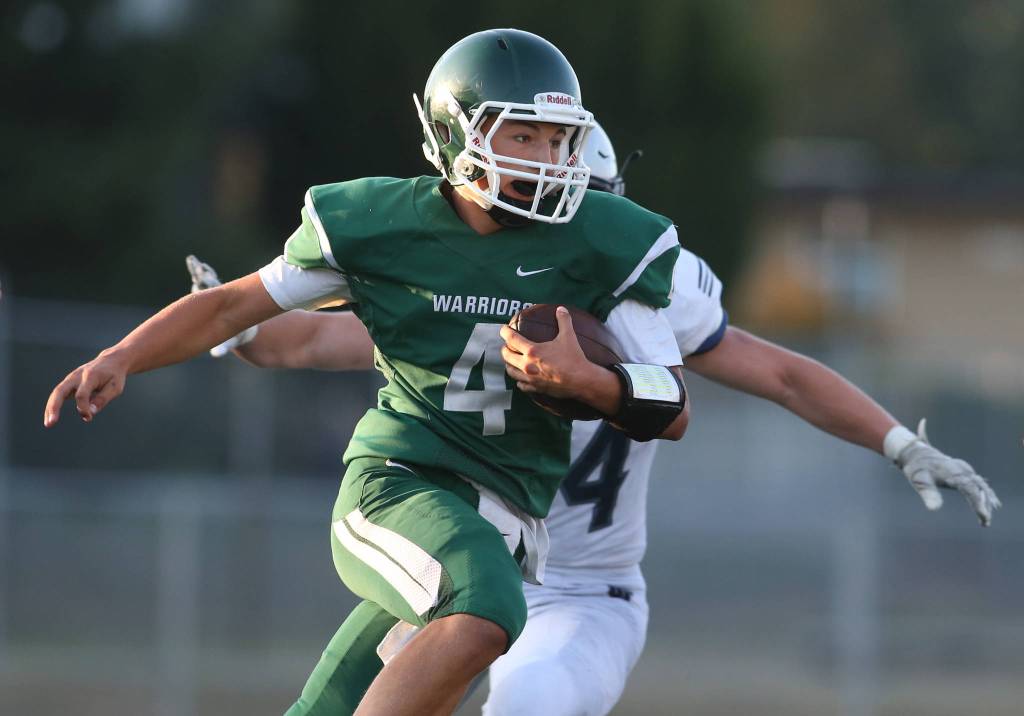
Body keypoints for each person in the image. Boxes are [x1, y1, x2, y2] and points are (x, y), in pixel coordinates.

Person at [185, 123, 1001, 716]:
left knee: (529, 699)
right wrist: (237, 324)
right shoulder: (479, 285)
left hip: (580, 595)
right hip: (473, 555)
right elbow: (328, 336)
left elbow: (783, 373)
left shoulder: (654, 289)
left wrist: (896, 441)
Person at [43, 29, 693, 716]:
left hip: (503, 514)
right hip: (398, 488)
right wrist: (122, 356)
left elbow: (672, 402)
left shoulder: (605, 239)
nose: (548, 160)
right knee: (487, 609)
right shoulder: (379, 225)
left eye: (557, 140)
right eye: (522, 138)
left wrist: (588, 382)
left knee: (343, 702)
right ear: (455, 134)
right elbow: (232, 304)